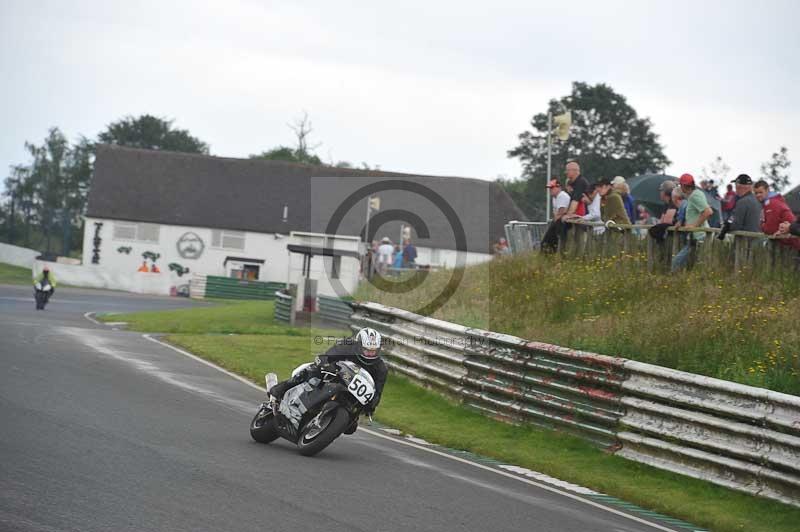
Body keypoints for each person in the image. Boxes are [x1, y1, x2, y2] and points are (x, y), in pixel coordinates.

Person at [269, 327, 389, 430]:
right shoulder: (347, 346)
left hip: (351, 392)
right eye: (367, 350)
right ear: (358, 346)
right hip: (333, 376)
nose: (370, 354)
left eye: (373, 351)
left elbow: (377, 392)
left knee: (351, 427)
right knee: (313, 370)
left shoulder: (381, 368)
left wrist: (371, 405)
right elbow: (324, 357)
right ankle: (281, 388)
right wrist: (327, 365)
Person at [672, 173, 712, 272]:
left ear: (683, 186)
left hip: (699, 236)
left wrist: (694, 226)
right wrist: (681, 222)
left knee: (677, 262)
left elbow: (708, 212)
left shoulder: (694, 196)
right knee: (694, 265)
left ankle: (673, 277)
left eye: (680, 185)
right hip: (696, 236)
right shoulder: (694, 195)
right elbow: (694, 213)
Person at [754, 180, 800, 250]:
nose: (758, 195)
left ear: (767, 190)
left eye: (760, 192)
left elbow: (770, 229)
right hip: (791, 242)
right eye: (756, 193)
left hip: (793, 244)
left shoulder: (771, 203)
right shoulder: (774, 201)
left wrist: (762, 223)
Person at [540, 179, 571, 252]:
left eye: (552, 188)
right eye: (549, 188)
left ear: (559, 187)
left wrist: (554, 222)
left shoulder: (562, 195)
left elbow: (562, 211)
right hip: (558, 221)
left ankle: (550, 255)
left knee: (548, 242)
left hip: (563, 222)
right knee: (548, 242)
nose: (550, 190)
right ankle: (551, 254)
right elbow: (556, 212)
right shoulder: (555, 197)